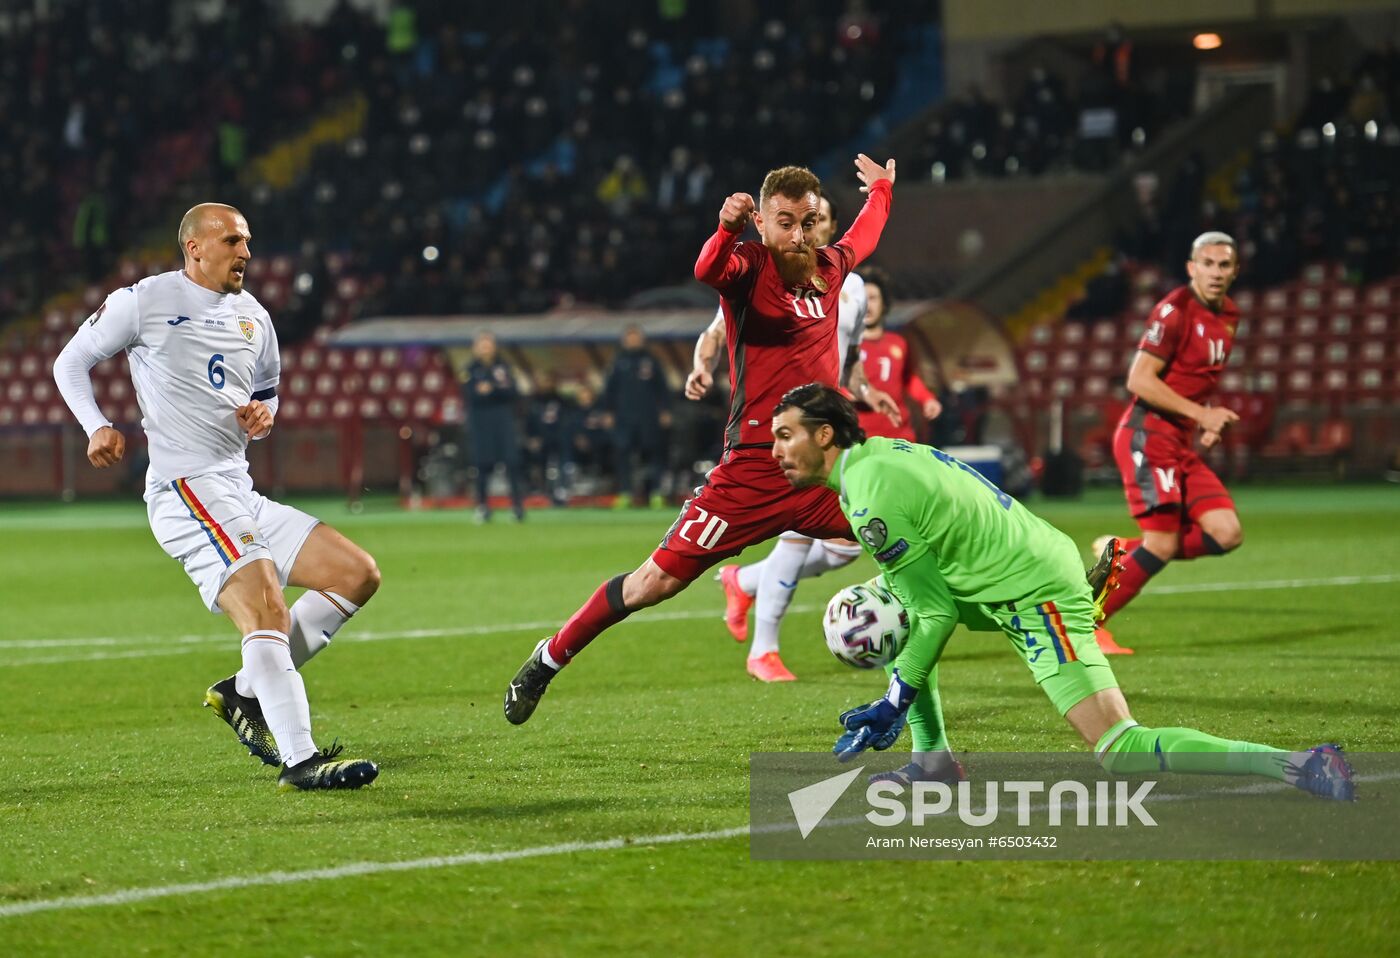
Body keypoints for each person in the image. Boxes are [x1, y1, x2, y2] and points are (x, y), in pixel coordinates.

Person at [770, 382, 1353, 800]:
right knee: (885, 611)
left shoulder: (871, 497)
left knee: (1120, 749)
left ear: (825, 435)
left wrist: (895, 701)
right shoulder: (873, 463)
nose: (776, 450)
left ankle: (1298, 764)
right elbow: (922, 591)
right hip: (1019, 565)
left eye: (785, 435)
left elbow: (937, 612)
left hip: (1033, 594)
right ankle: (933, 763)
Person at [504, 155, 898, 723]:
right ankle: (547, 660)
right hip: (752, 472)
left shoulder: (831, 268)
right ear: (763, 224)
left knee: (915, 525)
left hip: (825, 472)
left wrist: (882, 190)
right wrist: (725, 229)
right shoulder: (749, 269)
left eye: (807, 222)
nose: (798, 234)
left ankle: (1036, 599)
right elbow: (707, 269)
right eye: (784, 222)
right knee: (652, 583)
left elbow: (865, 234)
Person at [51, 203, 380, 791]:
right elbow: (70, 361)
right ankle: (300, 760)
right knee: (267, 608)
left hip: (237, 487)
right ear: (195, 247)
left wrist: (264, 413)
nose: (246, 252)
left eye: (248, 241)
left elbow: (269, 389)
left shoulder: (254, 315)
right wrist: (95, 425)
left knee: (356, 575)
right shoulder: (144, 300)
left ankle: (244, 691)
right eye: (232, 240)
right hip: (185, 489)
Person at [687, 193, 899, 682]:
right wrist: (702, 366)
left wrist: (871, 394)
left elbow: (853, 360)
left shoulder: (849, 282)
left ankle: (744, 580)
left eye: (819, 219)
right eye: (804, 219)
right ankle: (764, 650)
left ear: (830, 224)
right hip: (783, 430)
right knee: (798, 536)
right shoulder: (770, 276)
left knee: (850, 544)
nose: (810, 228)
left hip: (834, 426)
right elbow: (715, 332)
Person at [1091, 232, 1245, 654]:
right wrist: (1202, 416)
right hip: (1148, 434)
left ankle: (1120, 553)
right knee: (1162, 543)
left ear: (1235, 271)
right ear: (1191, 268)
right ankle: (1086, 624)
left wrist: (1204, 421)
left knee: (1226, 532)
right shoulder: (1175, 310)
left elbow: (1195, 380)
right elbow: (1138, 380)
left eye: (1224, 265)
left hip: (1179, 440)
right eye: (1207, 264)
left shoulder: (1230, 315)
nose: (1215, 272)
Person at [854, 267, 942, 441]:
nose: (867, 305)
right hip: (860, 436)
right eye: (862, 299)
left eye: (872, 298)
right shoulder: (847, 345)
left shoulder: (898, 343)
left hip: (899, 434)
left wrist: (927, 399)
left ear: (884, 303)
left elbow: (908, 379)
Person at [604, 325, 672, 508]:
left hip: (648, 417)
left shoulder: (651, 361)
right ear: (624, 340)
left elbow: (663, 388)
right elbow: (609, 390)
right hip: (624, 417)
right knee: (623, 454)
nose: (633, 341)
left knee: (654, 453)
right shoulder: (618, 361)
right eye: (630, 337)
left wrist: (665, 410)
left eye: (636, 337)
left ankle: (656, 493)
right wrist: (608, 411)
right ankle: (625, 493)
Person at [462, 331, 526, 522]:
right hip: (481, 423)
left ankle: (517, 506)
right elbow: (471, 395)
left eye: (488, 344)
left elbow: (513, 391)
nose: (485, 348)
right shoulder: (471, 369)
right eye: (482, 344)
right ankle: (483, 506)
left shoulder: (503, 367)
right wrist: (494, 391)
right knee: (482, 465)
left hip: (503, 421)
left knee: (511, 462)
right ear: (476, 347)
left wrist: (491, 390)